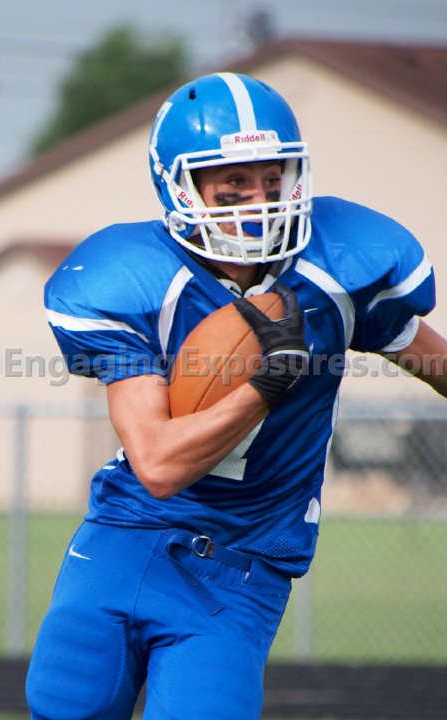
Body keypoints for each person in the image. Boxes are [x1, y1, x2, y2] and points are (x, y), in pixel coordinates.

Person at [26, 72, 447, 719]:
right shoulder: (134, 276)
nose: (259, 202)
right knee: (64, 705)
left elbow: (435, 360)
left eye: (272, 180)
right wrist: (267, 384)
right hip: (124, 538)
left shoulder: (342, 267)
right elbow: (158, 464)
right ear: (181, 187)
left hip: (240, 567)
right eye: (234, 186)